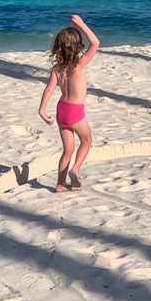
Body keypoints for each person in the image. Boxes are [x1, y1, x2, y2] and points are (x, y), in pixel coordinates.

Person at [38, 13, 100, 191]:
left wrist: (42, 110)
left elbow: (49, 89)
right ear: (77, 46)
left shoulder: (57, 69)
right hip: (75, 111)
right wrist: (81, 24)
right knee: (87, 141)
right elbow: (95, 43)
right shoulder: (79, 64)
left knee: (68, 150)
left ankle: (60, 183)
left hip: (61, 110)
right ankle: (76, 169)